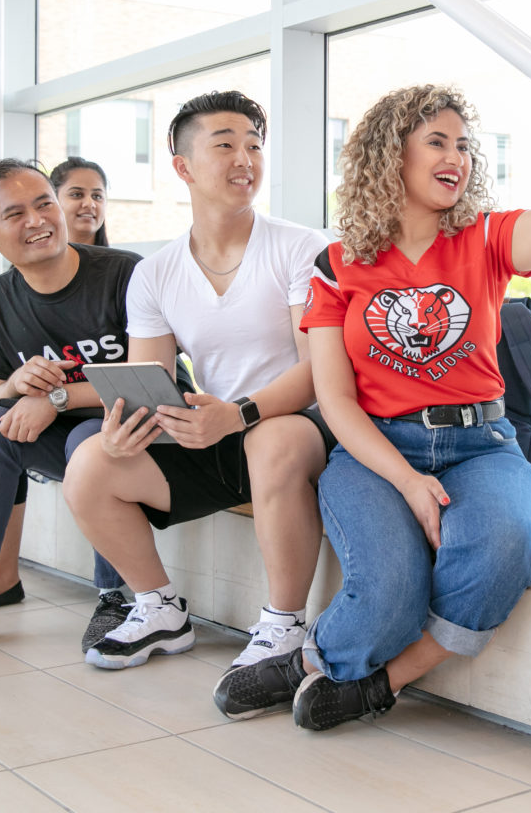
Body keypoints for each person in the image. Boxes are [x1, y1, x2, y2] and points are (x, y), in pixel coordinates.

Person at [214, 48, 531, 730]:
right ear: (391, 155)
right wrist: (406, 482)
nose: (457, 157)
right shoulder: (336, 265)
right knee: (388, 594)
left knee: (503, 551)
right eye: (436, 141)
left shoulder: (486, 240)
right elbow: (336, 401)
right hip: (375, 447)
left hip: (483, 444)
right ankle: (318, 658)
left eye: (463, 145)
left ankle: (374, 681)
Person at [63, 89, 335, 671]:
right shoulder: (155, 274)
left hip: (298, 428)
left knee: (274, 438)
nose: (246, 159)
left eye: (255, 145)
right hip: (216, 433)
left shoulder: (299, 248)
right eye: (226, 145)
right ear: (183, 166)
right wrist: (123, 430)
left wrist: (238, 414)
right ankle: (158, 607)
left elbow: (320, 372)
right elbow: (151, 384)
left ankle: (284, 626)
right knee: (89, 462)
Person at [0, 159, 143, 648]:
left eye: (43, 204)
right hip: (62, 433)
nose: (36, 220)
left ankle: (115, 596)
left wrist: (56, 399)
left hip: (144, 424)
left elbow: (152, 377)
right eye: (15, 214)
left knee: (90, 439)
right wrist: (13, 384)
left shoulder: (123, 273)